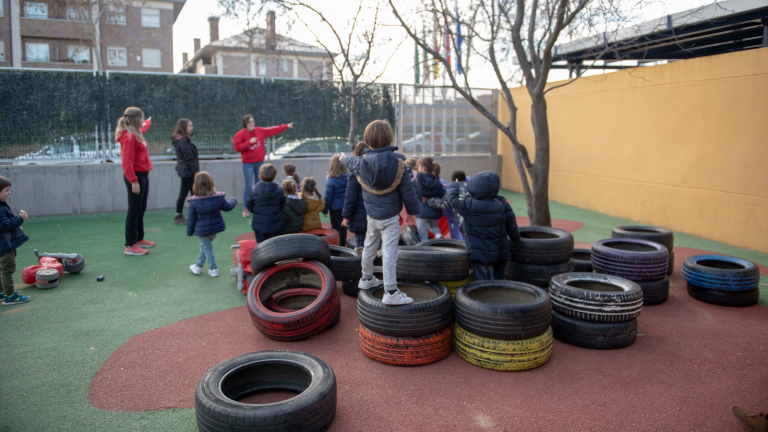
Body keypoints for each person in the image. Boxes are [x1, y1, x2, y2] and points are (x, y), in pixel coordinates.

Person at [340, 119, 420, 306]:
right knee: (389, 251)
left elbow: (347, 159)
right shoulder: (399, 163)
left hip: (372, 217)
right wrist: (413, 213)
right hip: (390, 218)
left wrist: (341, 158)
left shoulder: (360, 162)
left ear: (368, 140)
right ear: (389, 137)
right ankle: (391, 291)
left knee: (369, 246)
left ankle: (366, 278)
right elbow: (408, 192)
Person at [446, 171, 520, 281]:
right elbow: (512, 226)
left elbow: (453, 200)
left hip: (479, 254)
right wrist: (516, 238)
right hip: (500, 251)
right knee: (499, 281)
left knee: (481, 284)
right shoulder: (502, 204)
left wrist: (456, 184)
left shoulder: (470, 206)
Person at [233, 115, 293, 218]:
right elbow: (237, 147)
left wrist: (286, 126)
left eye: (253, 121)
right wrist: (249, 142)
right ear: (245, 124)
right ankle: (246, 208)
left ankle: (259, 206)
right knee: (248, 185)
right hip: (248, 163)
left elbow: (273, 130)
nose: (252, 124)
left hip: (260, 163)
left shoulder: (259, 130)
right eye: (249, 122)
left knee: (259, 184)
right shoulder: (240, 134)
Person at [117, 107, 155, 256]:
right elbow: (127, 161)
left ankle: (139, 238)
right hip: (136, 176)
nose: (142, 121)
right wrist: (133, 180)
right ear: (135, 119)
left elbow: (144, 127)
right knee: (134, 210)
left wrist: (148, 122)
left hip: (142, 175)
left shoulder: (137, 133)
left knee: (141, 208)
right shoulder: (130, 136)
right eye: (141, 118)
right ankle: (130, 245)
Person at [186, 172, 237, 277]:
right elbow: (227, 207)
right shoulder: (218, 197)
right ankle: (198, 266)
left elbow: (191, 219)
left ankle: (213, 268)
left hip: (202, 230)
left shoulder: (193, 201)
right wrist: (233, 200)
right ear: (211, 183)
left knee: (207, 248)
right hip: (215, 228)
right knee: (205, 246)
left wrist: (189, 232)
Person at [0, 176, 30, 306]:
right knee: (7, 269)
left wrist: (16, 225)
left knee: (2, 269)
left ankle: (2, 292)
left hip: (3, 243)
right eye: (7, 190)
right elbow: (4, 224)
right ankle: (10, 296)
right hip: (4, 245)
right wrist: (20, 218)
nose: (9, 193)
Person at [423, 170, 469, 239]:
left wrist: (428, 201)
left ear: (455, 180)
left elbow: (442, 203)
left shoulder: (453, 191)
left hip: (461, 220)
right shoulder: (470, 188)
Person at [246, 164, 285, 243]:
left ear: (259, 176)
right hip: (275, 225)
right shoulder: (279, 190)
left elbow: (249, 204)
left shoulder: (254, 190)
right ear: (274, 177)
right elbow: (283, 203)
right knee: (275, 247)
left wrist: (257, 211)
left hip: (260, 225)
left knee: (261, 247)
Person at [171, 118, 199, 225]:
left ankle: (192, 214)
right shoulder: (183, 142)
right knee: (188, 193)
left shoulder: (183, 140)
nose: (192, 128)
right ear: (184, 128)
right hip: (188, 172)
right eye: (190, 126)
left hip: (187, 171)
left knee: (192, 193)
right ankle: (179, 215)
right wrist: (196, 172)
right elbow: (189, 158)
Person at [342, 142, 369, 252]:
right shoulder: (373, 171)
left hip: (359, 212)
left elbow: (350, 198)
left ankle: (361, 258)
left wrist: (346, 217)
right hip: (372, 212)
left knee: (361, 242)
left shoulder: (354, 174)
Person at [412, 156, 445, 242]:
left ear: (423, 168)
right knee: (434, 226)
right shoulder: (437, 182)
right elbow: (443, 196)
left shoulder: (415, 182)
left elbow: (408, 193)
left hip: (421, 212)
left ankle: (425, 251)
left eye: (419, 166)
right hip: (435, 212)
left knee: (423, 237)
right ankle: (438, 235)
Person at [323, 155, 349, 247]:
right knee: (344, 227)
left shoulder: (330, 180)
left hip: (335, 208)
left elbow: (327, 197)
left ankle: (338, 246)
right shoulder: (348, 177)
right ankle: (343, 244)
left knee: (336, 228)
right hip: (345, 206)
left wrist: (325, 210)